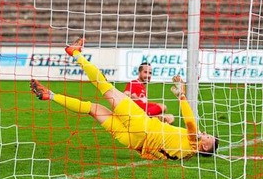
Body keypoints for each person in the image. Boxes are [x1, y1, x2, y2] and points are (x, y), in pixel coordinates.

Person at [30, 38, 218, 160]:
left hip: (140, 124)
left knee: (104, 85)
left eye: (207, 138)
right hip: (131, 141)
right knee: (92, 108)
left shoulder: (192, 142)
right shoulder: (184, 154)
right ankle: (51, 95)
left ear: (203, 146)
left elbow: (191, 122)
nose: (205, 134)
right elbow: (155, 153)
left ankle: (75, 52)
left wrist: (182, 95)